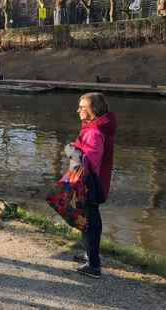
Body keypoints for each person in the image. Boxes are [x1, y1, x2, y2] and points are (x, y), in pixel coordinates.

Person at [69, 92, 117, 279]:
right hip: (92, 183)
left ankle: (93, 265)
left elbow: (88, 162)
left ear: (94, 110)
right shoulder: (93, 128)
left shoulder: (95, 132)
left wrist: (71, 150)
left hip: (90, 184)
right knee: (87, 219)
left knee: (90, 222)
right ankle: (89, 254)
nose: (78, 110)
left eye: (83, 107)